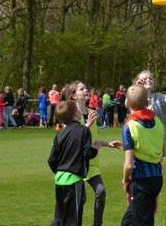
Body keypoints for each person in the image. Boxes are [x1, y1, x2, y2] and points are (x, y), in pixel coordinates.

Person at [65, 81, 122, 226]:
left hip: (92, 164)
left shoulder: (91, 113)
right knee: (79, 202)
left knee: (101, 192)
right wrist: (86, 125)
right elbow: (71, 138)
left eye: (86, 88)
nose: (86, 90)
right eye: (81, 89)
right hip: (77, 165)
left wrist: (108, 144)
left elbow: (93, 139)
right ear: (73, 95)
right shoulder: (70, 114)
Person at [48, 100, 111, 226]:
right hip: (74, 180)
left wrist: (60, 171)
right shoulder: (84, 131)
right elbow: (87, 153)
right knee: (74, 218)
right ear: (75, 115)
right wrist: (95, 148)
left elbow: (51, 160)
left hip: (59, 179)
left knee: (59, 216)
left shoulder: (59, 135)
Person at [121, 85, 166, 226]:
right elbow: (164, 151)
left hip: (141, 180)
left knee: (142, 222)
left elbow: (128, 165)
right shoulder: (157, 121)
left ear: (127, 103)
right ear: (147, 102)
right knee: (127, 222)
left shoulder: (129, 126)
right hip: (157, 177)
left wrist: (124, 180)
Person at [134, 70, 166, 143]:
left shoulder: (160, 97)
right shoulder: (136, 98)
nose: (148, 80)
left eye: (150, 78)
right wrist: (136, 88)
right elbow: (127, 102)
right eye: (144, 79)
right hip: (145, 140)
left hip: (162, 140)